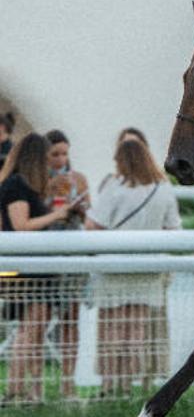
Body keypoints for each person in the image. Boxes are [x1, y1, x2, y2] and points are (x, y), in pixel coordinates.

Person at [86, 139, 181, 395]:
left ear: (122, 161)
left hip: (113, 267)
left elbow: (92, 225)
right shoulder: (163, 188)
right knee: (137, 331)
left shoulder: (115, 187)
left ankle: (108, 387)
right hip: (147, 268)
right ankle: (128, 387)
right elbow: (174, 229)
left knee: (112, 330)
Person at [0, 133, 80, 403]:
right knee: (29, 331)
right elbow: (21, 225)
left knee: (34, 331)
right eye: (47, 158)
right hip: (27, 269)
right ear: (36, 158)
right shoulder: (15, 185)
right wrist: (56, 214)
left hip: (36, 267)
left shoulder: (25, 185)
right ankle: (14, 390)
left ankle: (28, 391)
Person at [44, 129, 91, 397]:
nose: (61, 159)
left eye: (65, 153)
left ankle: (68, 384)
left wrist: (80, 207)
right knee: (39, 319)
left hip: (73, 251)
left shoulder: (79, 180)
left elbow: (89, 215)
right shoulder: (38, 180)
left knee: (71, 319)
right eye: (55, 154)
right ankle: (34, 383)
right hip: (48, 251)